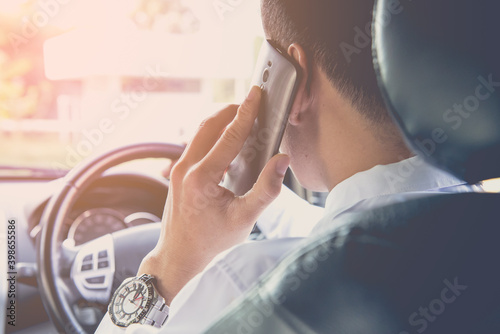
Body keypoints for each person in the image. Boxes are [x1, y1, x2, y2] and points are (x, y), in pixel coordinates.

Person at [96, 1, 478, 332]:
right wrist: (261, 203)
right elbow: (363, 223)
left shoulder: (250, 287)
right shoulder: (476, 228)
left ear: (297, 81)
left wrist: (165, 267)